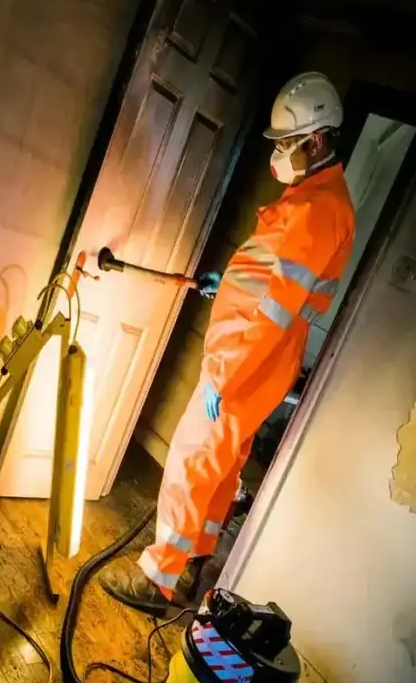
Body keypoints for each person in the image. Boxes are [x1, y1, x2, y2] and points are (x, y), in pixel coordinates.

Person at [101, 71, 356, 613]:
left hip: (245, 364)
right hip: (257, 364)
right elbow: (276, 279)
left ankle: (158, 578)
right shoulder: (317, 198)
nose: (279, 155)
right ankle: (194, 561)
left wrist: (223, 375)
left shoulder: (318, 210)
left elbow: (276, 312)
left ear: (316, 141)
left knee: (191, 460)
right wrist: (235, 281)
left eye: (287, 144)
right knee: (220, 466)